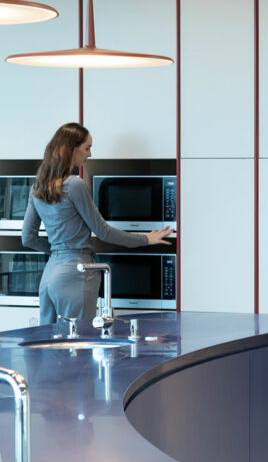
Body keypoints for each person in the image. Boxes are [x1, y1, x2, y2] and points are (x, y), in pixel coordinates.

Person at [22, 122, 173, 325]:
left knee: (49, 348)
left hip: (49, 276)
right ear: (72, 148)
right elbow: (103, 232)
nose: (90, 154)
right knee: (78, 345)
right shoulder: (75, 184)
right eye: (87, 148)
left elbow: (27, 238)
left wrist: (59, 252)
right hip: (77, 273)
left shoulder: (37, 187)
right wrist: (146, 238)